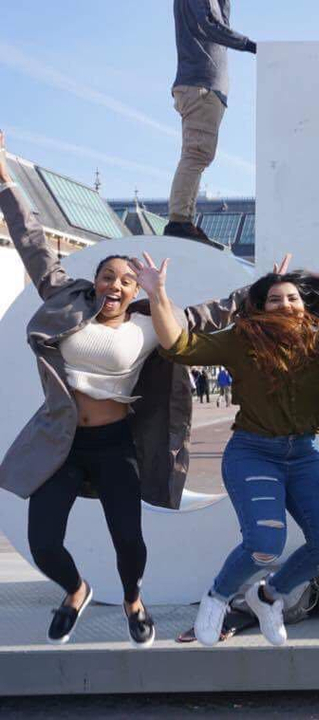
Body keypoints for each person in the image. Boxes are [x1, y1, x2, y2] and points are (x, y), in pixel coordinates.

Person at [0, 129, 250, 647]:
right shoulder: (65, 302)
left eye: (125, 281)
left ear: (136, 290)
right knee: (43, 541)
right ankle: (75, 590)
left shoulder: (148, 327)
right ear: (94, 283)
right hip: (60, 442)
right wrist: (4, 180)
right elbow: (33, 246)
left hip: (116, 446)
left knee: (128, 540)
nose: (114, 285)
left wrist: (264, 289)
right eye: (107, 276)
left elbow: (211, 314)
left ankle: (133, 600)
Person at [135, 254, 319, 647]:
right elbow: (179, 345)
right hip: (253, 452)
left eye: (293, 298)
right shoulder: (243, 339)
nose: (286, 305)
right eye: (275, 300)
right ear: (260, 307)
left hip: (303, 453)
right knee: (264, 545)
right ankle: (216, 598)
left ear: (304, 304)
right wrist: (158, 293)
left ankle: (268, 597)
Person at [165, 0, 257, 242]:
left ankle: (184, 220)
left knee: (199, 156)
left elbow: (220, 23)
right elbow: (211, 26)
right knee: (195, 155)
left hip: (204, 87)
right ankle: (179, 221)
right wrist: (249, 45)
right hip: (201, 86)